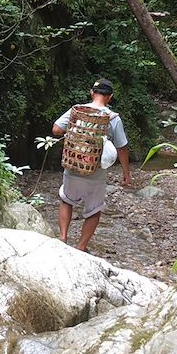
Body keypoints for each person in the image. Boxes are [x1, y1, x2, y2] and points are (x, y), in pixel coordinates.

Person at [51, 78, 132, 251]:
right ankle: (81, 247)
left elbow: (56, 129)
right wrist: (126, 172)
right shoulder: (113, 118)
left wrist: (76, 131)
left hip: (73, 165)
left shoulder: (77, 111)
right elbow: (122, 148)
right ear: (110, 97)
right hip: (96, 172)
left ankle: (63, 238)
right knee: (94, 210)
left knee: (66, 200)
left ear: (92, 93)